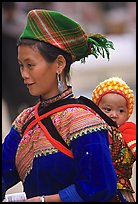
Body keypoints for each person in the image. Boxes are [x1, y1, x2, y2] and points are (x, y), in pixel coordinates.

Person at [2, 9, 118, 202]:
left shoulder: (84, 123)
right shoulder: (25, 121)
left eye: (30, 65)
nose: (23, 74)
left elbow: (100, 186)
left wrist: (43, 201)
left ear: (59, 64)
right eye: (20, 65)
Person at [92, 76, 136, 202]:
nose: (114, 115)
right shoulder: (91, 130)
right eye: (108, 109)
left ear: (128, 114)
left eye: (121, 110)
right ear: (96, 109)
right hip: (95, 186)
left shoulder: (129, 130)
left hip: (120, 190)